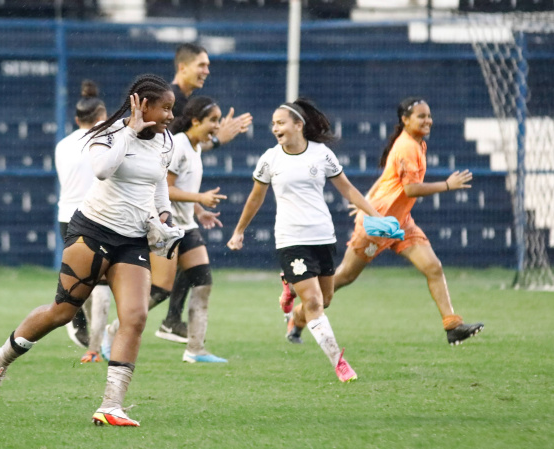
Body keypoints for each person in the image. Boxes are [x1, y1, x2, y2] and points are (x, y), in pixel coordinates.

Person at [0, 74, 177, 427]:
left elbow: (158, 184)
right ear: (142, 105)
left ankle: (111, 405)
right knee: (62, 313)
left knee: (136, 317)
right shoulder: (108, 133)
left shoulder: (165, 141)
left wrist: (163, 218)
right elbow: (101, 170)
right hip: (92, 232)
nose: (170, 116)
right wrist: (130, 130)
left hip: (131, 241)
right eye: (166, 108)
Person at [281, 97, 485, 346]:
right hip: (378, 225)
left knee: (433, 267)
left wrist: (364, 199)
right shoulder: (407, 147)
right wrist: (446, 185)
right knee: (341, 280)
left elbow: (387, 177)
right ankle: (298, 315)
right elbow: (410, 190)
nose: (428, 120)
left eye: (429, 115)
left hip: (400, 223)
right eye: (421, 116)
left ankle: (452, 325)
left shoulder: (416, 144)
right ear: (405, 120)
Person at [227, 98, 381, 382]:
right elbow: (255, 198)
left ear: (299, 125)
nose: (275, 127)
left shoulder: (321, 154)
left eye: (281, 122)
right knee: (313, 302)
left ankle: (290, 294)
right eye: (273, 123)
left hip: (322, 236)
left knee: (325, 300)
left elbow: (347, 188)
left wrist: (374, 215)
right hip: (290, 239)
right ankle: (339, 363)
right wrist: (238, 231)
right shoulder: (270, 159)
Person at [104, 96, 228, 363]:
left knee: (203, 282)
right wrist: (199, 199)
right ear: (196, 121)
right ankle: (112, 331)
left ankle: (195, 350)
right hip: (166, 227)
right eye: (213, 121)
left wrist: (199, 210)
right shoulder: (178, 146)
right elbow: (166, 189)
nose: (217, 127)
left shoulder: (197, 147)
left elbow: (185, 189)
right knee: (160, 290)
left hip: (188, 226)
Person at [151, 42, 252, 343]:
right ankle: (105, 320)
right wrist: (217, 140)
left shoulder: (185, 105)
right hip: (151, 202)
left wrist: (196, 207)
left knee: (196, 273)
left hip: (172, 205)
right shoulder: (169, 101)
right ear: (182, 67)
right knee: (156, 284)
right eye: (202, 65)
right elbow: (167, 160)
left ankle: (175, 325)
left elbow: (182, 160)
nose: (207, 70)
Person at [55, 79, 112, 363]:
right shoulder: (102, 143)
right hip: (96, 216)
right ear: (103, 117)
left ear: (77, 119)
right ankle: (94, 345)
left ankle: (79, 326)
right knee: (100, 283)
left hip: (66, 217)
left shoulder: (62, 145)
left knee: (79, 279)